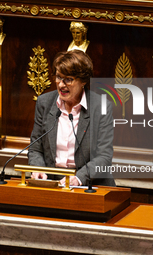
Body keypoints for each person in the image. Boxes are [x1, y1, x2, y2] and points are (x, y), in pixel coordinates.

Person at [28, 50, 115, 187]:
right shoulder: (44, 103)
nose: (61, 85)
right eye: (58, 77)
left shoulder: (101, 107)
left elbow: (104, 157)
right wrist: (38, 169)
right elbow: (35, 149)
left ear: (83, 81)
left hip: (91, 186)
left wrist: (79, 178)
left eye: (68, 79)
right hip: (52, 183)